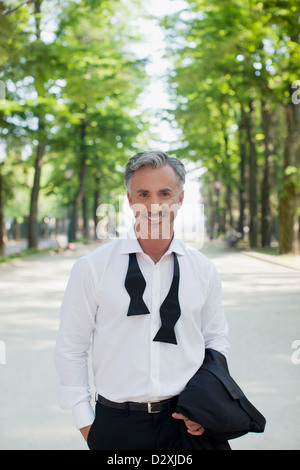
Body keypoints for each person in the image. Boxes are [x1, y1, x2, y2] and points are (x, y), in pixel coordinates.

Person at [55, 150, 230, 450]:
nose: (154, 205)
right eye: (143, 194)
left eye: (165, 193)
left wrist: (205, 405)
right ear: (129, 199)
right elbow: (71, 347)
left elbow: (215, 341)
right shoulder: (93, 268)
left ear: (181, 198)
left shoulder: (203, 269)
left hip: (187, 424)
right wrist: (87, 424)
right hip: (117, 426)